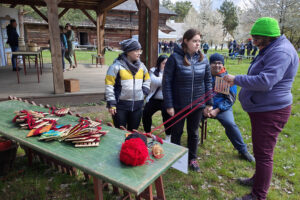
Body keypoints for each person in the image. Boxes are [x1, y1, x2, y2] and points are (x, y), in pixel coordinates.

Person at [223, 17, 299, 200]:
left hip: (271, 111)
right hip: (262, 109)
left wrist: (236, 79)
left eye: (257, 39)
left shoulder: (281, 52)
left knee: (264, 155)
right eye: (254, 39)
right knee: (260, 150)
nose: (254, 43)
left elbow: (266, 81)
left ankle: (258, 195)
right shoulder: (272, 47)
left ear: (270, 37)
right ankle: (258, 179)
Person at [163, 29, 213, 172]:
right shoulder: (174, 58)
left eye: (199, 41)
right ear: (186, 41)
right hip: (179, 104)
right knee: (177, 132)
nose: (198, 44)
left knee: (194, 132)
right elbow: (167, 82)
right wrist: (169, 104)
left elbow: (208, 81)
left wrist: (209, 103)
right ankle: (176, 158)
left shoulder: (203, 59)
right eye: (194, 41)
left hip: (197, 104)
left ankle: (192, 158)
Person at [205, 53, 254, 162]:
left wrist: (217, 110)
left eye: (219, 63)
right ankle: (190, 145)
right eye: (214, 63)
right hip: (205, 107)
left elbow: (230, 99)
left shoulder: (227, 78)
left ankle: (243, 150)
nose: (217, 65)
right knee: (192, 118)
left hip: (222, 107)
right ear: (210, 64)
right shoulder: (204, 76)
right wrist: (205, 107)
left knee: (230, 124)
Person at [105, 38, 150, 131]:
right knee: (120, 132)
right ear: (128, 52)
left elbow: (147, 79)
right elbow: (109, 85)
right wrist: (111, 103)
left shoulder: (142, 66)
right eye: (136, 50)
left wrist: (144, 91)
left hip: (137, 106)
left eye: (140, 50)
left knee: (133, 132)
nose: (139, 53)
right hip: (120, 106)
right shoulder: (116, 67)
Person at [142, 55, 172, 141]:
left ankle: (168, 136)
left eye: (167, 63)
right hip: (154, 98)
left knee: (167, 116)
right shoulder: (153, 70)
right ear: (159, 63)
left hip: (166, 100)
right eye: (164, 63)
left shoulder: (171, 71)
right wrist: (166, 79)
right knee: (146, 113)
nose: (165, 65)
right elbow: (154, 81)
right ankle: (148, 133)